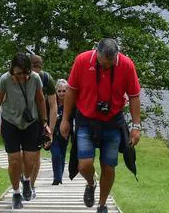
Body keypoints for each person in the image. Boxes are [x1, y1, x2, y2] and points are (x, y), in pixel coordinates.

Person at [60, 38, 141, 213]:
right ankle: (91, 183)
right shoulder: (82, 60)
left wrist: (136, 126)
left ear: (116, 57)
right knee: (84, 165)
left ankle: (102, 205)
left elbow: (134, 95)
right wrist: (65, 119)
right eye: (103, 64)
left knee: (109, 166)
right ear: (97, 53)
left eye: (110, 65)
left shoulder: (126, 65)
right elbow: (71, 90)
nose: (106, 68)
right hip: (86, 120)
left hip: (112, 122)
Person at [0, 52, 50, 210]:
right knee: (14, 160)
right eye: (18, 74)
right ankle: (16, 193)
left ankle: (27, 180)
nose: (21, 77)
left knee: (30, 160)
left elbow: (41, 99)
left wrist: (44, 123)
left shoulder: (35, 79)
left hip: (31, 123)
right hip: (10, 122)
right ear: (12, 70)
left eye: (25, 73)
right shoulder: (5, 80)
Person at [29, 54, 57, 189]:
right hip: (23, 120)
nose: (36, 72)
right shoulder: (23, 77)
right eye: (33, 68)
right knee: (24, 155)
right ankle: (25, 181)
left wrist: (50, 129)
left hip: (40, 120)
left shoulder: (46, 79)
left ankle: (31, 185)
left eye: (38, 68)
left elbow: (53, 106)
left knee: (36, 155)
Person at [49, 78, 71, 185]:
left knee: (62, 155)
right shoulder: (52, 104)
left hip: (65, 134)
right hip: (53, 133)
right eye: (59, 91)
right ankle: (56, 178)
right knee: (56, 154)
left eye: (64, 91)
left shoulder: (70, 104)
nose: (61, 93)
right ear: (56, 91)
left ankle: (59, 177)